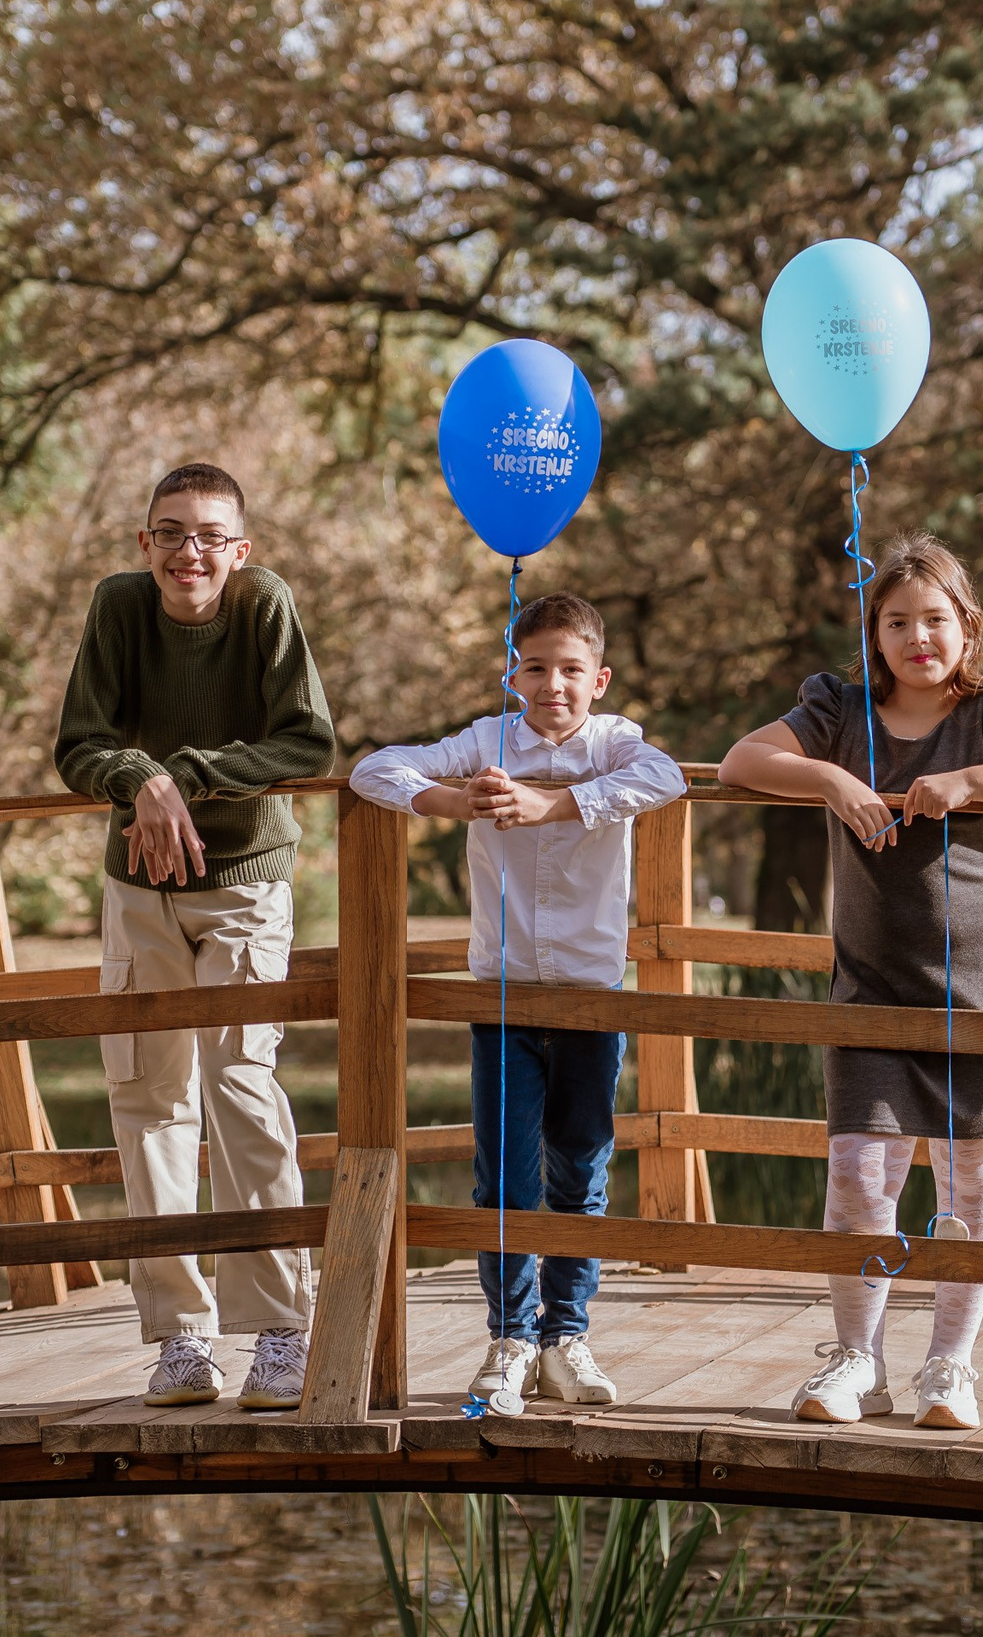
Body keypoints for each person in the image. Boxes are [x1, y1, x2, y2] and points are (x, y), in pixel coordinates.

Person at [717, 534, 983, 1431]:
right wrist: (830, 779)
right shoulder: (838, 708)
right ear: (874, 634)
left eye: (935, 619)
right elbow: (740, 762)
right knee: (859, 1173)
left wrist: (968, 781)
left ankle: (950, 1367)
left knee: (971, 1181)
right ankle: (858, 1359)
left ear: (967, 626)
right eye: (896, 622)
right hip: (874, 985)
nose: (917, 637)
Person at [349, 592, 685, 1415]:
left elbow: (667, 777)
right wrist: (452, 800)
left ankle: (566, 1335)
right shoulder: (486, 741)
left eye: (571, 669)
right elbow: (372, 770)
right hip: (502, 994)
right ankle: (510, 1338)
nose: (553, 685)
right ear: (513, 673)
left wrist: (553, 803)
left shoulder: (615, 743)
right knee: (503, 1172)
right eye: (535, 667)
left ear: (599, 679)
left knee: (581, 1163)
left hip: (590, 996)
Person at [53, 462, 336, 1411]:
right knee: (149, 1098)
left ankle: (283, 1327)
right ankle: (181, 1336)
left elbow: (308, 740)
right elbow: (78, 743)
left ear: (239, 549)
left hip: (243, 882)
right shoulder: (119, 607)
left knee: (240, 1084)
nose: (190, 552)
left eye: (210, 535)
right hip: (141, 889)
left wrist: (185, 774)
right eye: (170, 533)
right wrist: (140, 779)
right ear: (146, 543)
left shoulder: (265, 607)